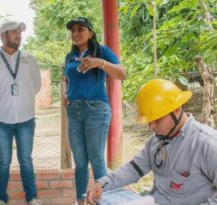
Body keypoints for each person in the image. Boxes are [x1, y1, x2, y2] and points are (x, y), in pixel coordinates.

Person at [87, 79, 217, 205]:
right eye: (149, 121)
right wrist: (102, 183)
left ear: (176, 110)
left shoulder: (207, 144)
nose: (152, 126)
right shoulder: (156, 140)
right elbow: (134, 168)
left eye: (157, 119)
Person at [63, 17, 126, 205]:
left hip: (96, 111)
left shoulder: (102, 51)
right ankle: (80, 202)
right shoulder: (69, 56)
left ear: (90, 32)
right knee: (80, 162)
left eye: (80, 29)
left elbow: (122, 74)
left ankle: (105, 201)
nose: (75, 34)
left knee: (97, 160)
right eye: (73, 30)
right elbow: (66, 78)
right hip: (74, 112)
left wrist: (100, 63)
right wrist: (66, 93)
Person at [0, 21, 42, 205]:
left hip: (26, 118)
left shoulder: (29, 58)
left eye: (19, 32)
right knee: (4, 160)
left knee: (25, 159)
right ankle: (0, 199)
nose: (19, 35)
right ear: (2, 36)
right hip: (1, 119)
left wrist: (21, 100)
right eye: (14, 32)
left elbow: (36, 85)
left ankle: (32, 198)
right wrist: (4, 102)